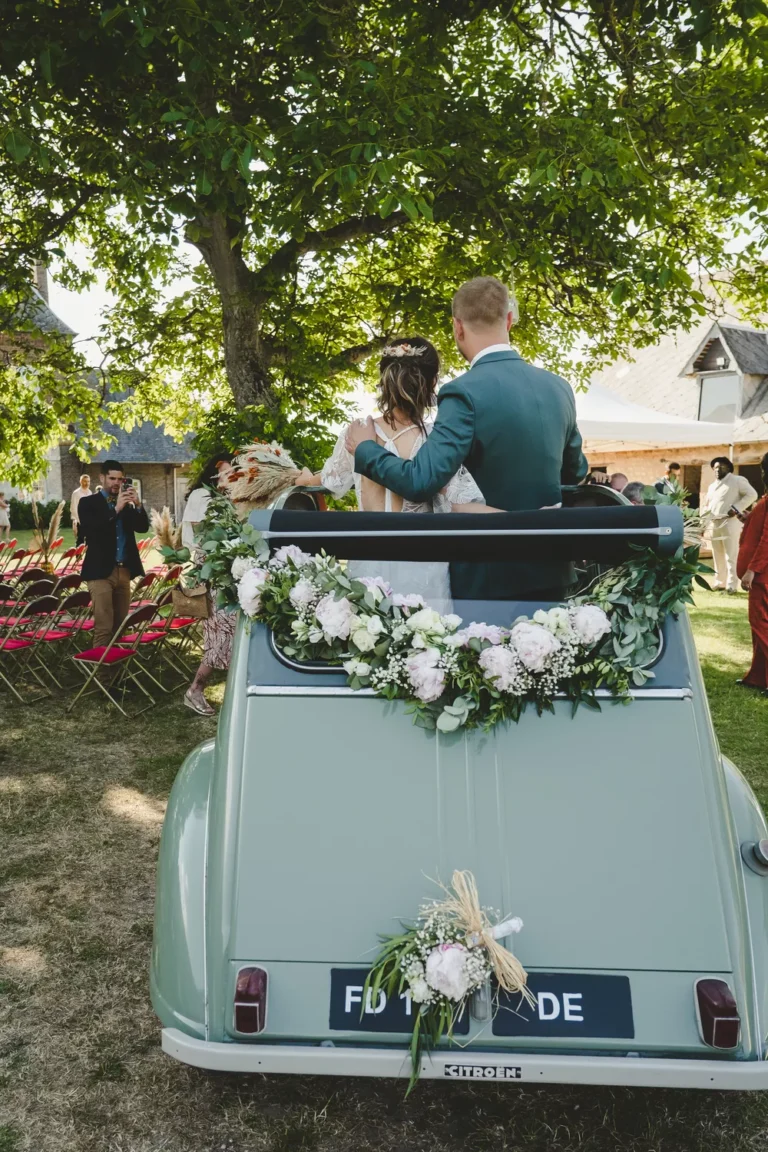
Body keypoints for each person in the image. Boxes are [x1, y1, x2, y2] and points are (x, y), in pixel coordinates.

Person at [346, 276, 588, 600]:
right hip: (551, 568)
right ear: (509, 319)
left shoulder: (463, 392)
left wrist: (365, 449)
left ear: (457, 327)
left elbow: (420, 480)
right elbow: (574, 473)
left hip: (486, 576)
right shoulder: (558, 387)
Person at [294, 338, 485, 610]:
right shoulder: (436, 441)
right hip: (422, 569)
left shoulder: (357, 433)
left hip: (368, 563)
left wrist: (303, 479)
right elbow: (463, 503)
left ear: (384, 381)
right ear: (431, 384)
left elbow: (329, 480)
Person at [77, 459, 149, 669]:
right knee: (103, 627)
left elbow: (143, 528)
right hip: (100, 573)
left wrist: (137, 505)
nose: (117, 483)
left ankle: (117, 671)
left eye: (120, 479)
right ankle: (102, 679)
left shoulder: (126, 503)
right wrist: (116, 509)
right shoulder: (88, 503)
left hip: (124, 571)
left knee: (120, 626)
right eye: (112, 478)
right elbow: (93, 530)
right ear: (102, 478)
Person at [183, 452, 237, 716]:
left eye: (232, 473)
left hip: (232, 573)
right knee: (219, 635)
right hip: (211, 573)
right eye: (224, 472)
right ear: (213, 474)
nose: (228, 477)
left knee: (233, 632)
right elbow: (201, 536)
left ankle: (232, 693)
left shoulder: (230, 500)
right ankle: (195, 690)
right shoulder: (200, 497)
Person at [737, 452, 768, 695]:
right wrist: (749, 517)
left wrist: (751, 571)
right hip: (761, 573)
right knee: (758, 627)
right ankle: (758, 676)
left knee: (760, 623)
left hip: (762, 574)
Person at [703, 457, 758, 593]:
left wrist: (736, 508)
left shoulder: (737, 480)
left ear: (728, 468)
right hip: (714, 524)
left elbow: (752, 494)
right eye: (715, 468)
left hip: (730, 523)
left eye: (721, 467)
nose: (717, 470)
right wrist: (703, 522)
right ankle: (719, 582)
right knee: (717, 554)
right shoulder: (712, 486)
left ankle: (732, 584)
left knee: (731, 555)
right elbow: (707, 505)